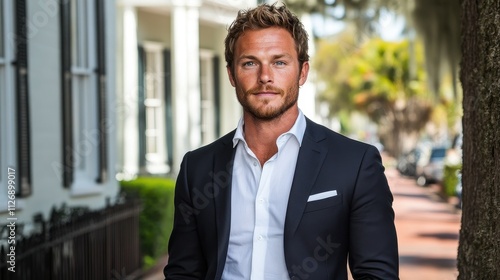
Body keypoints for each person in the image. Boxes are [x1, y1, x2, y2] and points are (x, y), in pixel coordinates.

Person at [164, 3, 398, 280]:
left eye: (279, 62)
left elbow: (376, 274)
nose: (265, 76)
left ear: (302, 72)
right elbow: (184, 272)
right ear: (231, 74)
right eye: (249, 63)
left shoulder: (355, 163)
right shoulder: (197, 168)